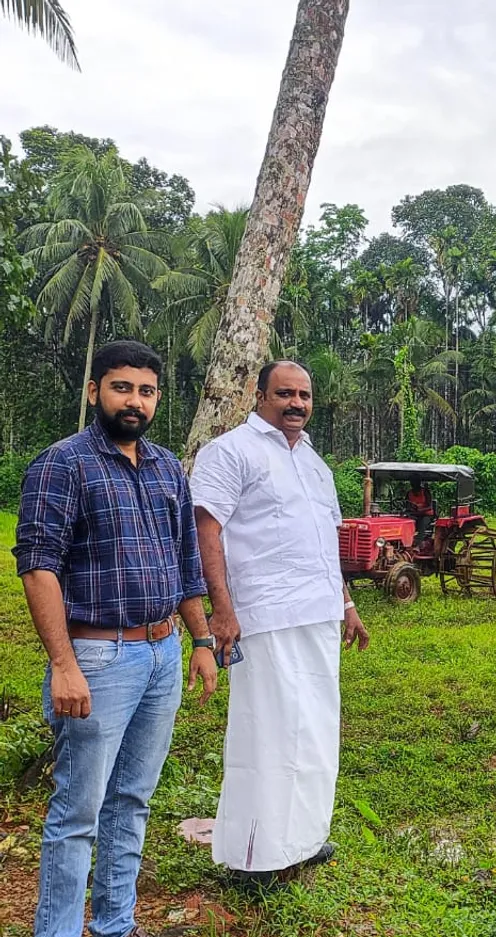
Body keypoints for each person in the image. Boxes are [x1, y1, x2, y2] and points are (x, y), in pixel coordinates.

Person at [14, 340, 217, 937]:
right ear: (94, 391)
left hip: (162, 652)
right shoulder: (62, 464)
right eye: (122, 387)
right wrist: (63, 664)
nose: (134, 401)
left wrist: (201, 641)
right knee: (78, 812)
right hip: (97, 656)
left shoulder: (167, 468)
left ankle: (115, 924)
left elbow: (186, 563)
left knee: (132, 800)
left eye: (146, 391)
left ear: (158, 399)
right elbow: (38, 566)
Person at [190, 360, 369, 889]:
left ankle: (303, 841)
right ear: (260, 395)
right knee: (265, 733)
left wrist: (346, 604)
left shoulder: (315, 463)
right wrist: (222, 609)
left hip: (318, 615)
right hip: (263, 616)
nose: (297, 404)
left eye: (304, 395)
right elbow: (206, 532)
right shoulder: (230, 452)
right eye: (285, 393)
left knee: (314, 732)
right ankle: (255, 859)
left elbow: (324, 543)